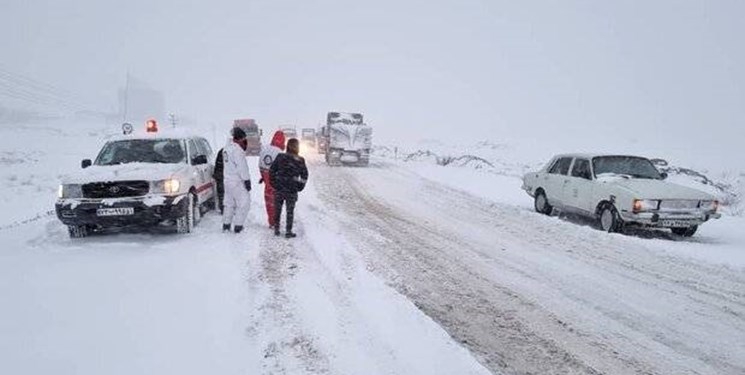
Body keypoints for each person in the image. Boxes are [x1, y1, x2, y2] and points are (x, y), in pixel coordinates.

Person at [269, 138, 308, 238]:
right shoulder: (300, 160)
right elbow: (304, 175)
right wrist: (300, 186)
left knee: (277, 209)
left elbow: (272, 170)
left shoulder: (280, 157)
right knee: (290, 211)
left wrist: (273, 183)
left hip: (279, 188)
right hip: (292, 189)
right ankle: (288, 231)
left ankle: (277, 228)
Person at [221, 127, 252, 233]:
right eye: (243, 138)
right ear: (239, 138)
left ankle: (226, 224)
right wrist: (247, 180)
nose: (244, 140)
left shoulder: (226, 148)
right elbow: (242, 167)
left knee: (229, 204)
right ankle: (238, 226)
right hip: (237, 181)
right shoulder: (237, 150)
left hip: (227, 181)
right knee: (244, 203)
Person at [258, 130, 286, 228]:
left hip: (266, 177)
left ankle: (271, 221)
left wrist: (263, 177)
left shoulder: (265, 149)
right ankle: (275, 221)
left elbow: (260, 164)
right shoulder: (280, 152)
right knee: (276, 201)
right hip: (275, 179)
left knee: (268, 200)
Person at [212, 146, 225, 214]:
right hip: (222, 175)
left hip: (221, 175)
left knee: (221, 192)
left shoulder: (222, 151)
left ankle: (223, 207)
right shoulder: (223, 152)